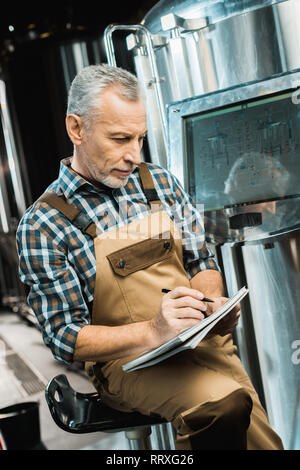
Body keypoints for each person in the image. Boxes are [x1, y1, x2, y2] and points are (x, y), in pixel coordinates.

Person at [16, 64, 283, 450]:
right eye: (120, 138)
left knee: (259, 438)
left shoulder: (158, 182)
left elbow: (200, 261)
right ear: (77, 129)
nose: (132, 155)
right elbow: (64, 336)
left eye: (139, 139)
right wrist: (153, 332)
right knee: (219, 407)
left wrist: (210, 305)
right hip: (128, 365)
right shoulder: (45, 224)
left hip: (200, 344)